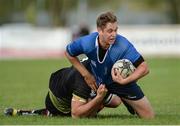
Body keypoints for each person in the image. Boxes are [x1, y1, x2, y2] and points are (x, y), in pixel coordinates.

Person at [65, 11, 155, 119]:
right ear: (99, 30)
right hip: (97, 82)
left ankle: (125, 99)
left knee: (149, 117)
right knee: (83, 116)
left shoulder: (123, 45)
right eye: (110, 31)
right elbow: (69, 53)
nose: (114, 34)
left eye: (116, 30)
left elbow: (144, 68)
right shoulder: (87, 42)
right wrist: (86, 75)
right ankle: (110, 99)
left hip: (120, 83)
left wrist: (124, 81)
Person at [4, 59, 121, 118]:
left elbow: (116, 101)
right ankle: (46, 112)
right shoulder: (82, 81)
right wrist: (99, 98)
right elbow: (76, 115)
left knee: (115, 101)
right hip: (56, 100)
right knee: (89, 110)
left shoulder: (96, 64)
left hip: (62, 78)